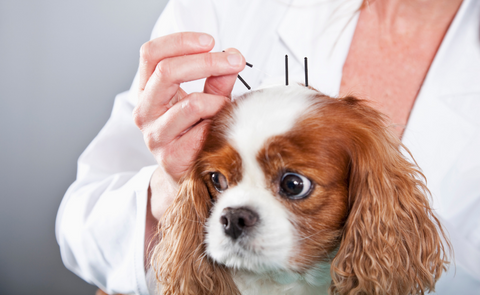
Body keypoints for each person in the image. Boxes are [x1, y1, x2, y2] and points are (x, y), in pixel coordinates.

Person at [56, 0, 480, 294]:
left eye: (293, 184)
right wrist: (174, 188)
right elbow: (80, 227)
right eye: (219, 181)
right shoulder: (231, 8)